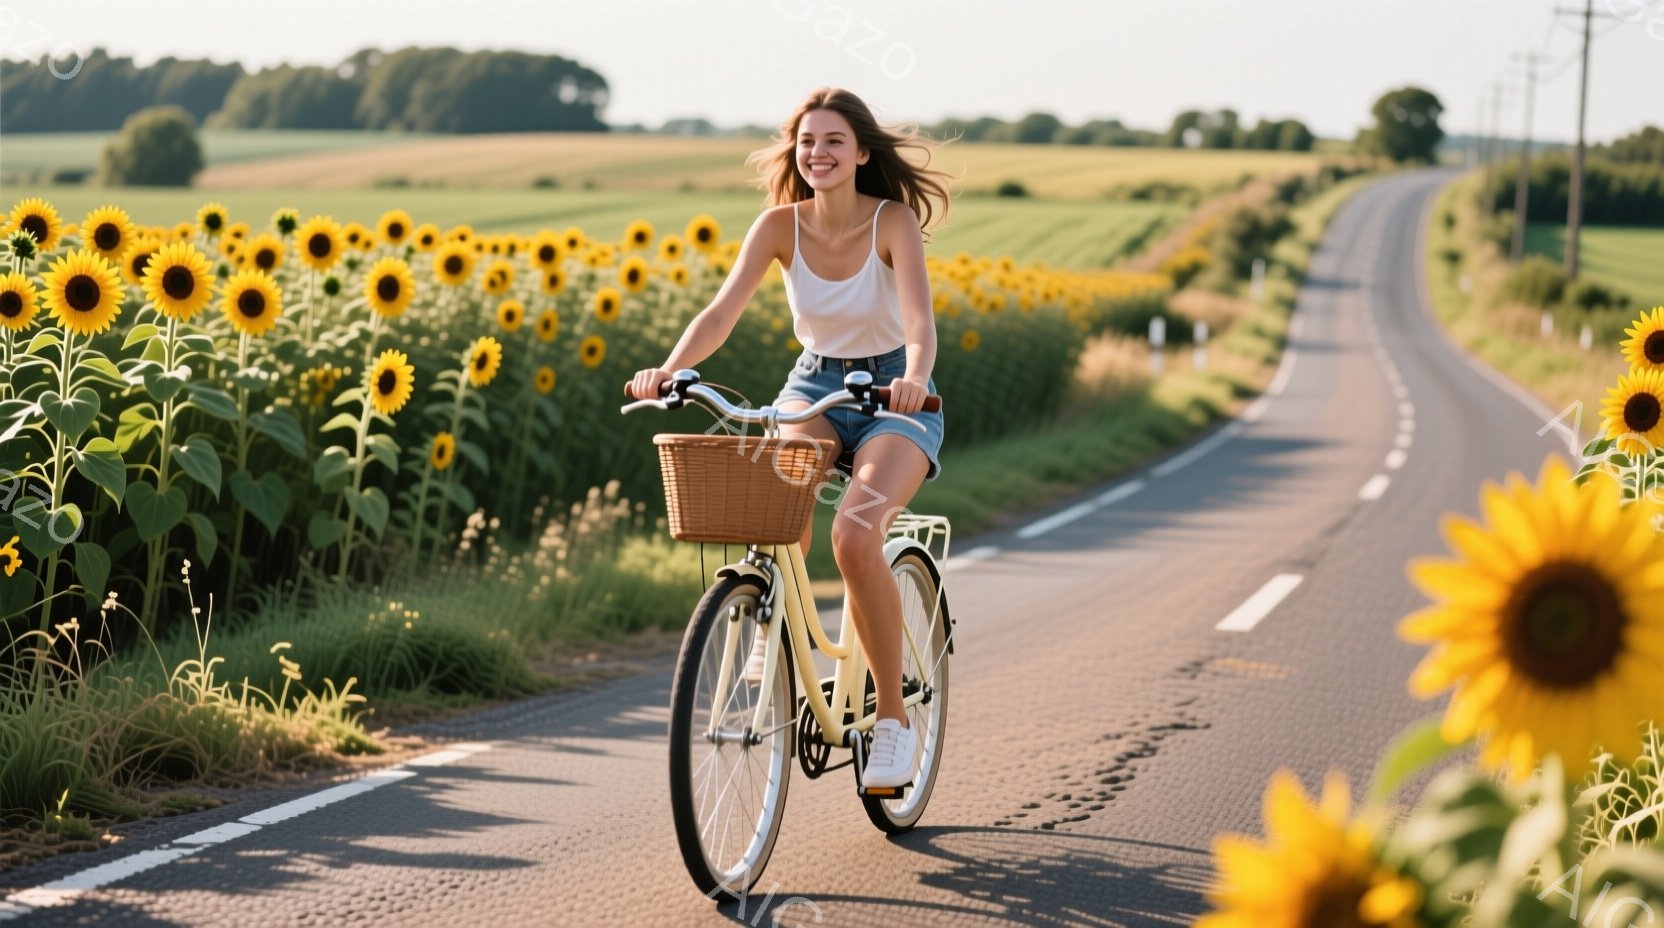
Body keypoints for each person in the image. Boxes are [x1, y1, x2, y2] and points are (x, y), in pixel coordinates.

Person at [625, 88, 951, 789]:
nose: (818, 154)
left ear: (862, 152)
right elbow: (720, 313)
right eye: (807, 142)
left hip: (896, 393)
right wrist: (671, 371)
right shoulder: (779, 226)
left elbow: (919, 323)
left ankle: (890, 720)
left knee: (857, 536)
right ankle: (770, 624)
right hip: (815, 383)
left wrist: (914, 378)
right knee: (773, 508)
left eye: (833, 141)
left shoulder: (891, 222)